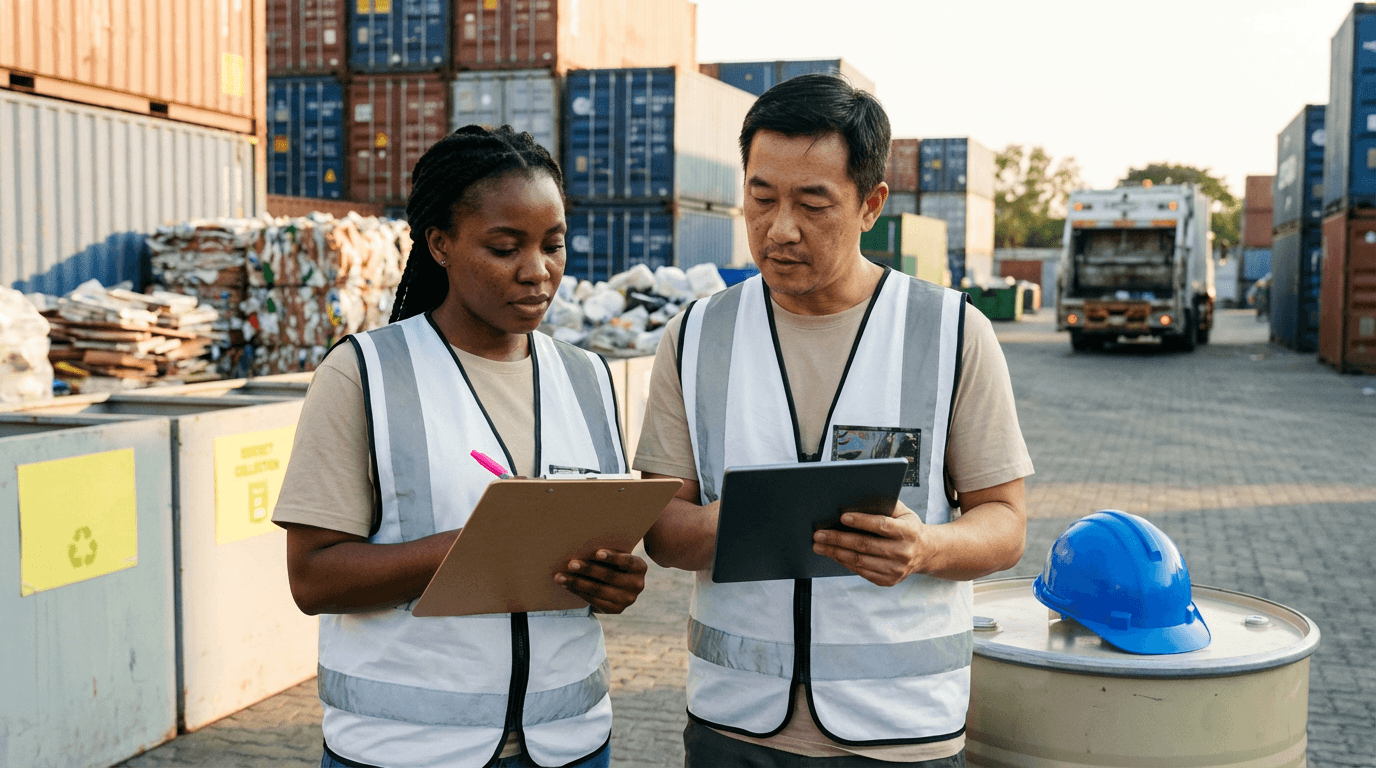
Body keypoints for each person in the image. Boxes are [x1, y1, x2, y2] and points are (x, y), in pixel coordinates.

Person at [635, 75, 1035, 766]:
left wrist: (926, 549)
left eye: (812, 203)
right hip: (734, 729)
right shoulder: (697, 334)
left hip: (901, 730)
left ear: (871, 204)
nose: (779, 228)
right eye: (760, 199)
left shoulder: (949, 331)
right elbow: (663, 529)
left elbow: (1004, 522)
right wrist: (739, 523)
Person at [273, 125, 645, 768]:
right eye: (505, 247)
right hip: (408, 748)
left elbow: (596, 550)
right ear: (440, 244)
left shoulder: (587, 378)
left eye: (553, 245)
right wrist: (469, 548)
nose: (537, 271)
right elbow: (312, 578)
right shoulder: (364, 374)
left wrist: (614, 581)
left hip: (570, 744)